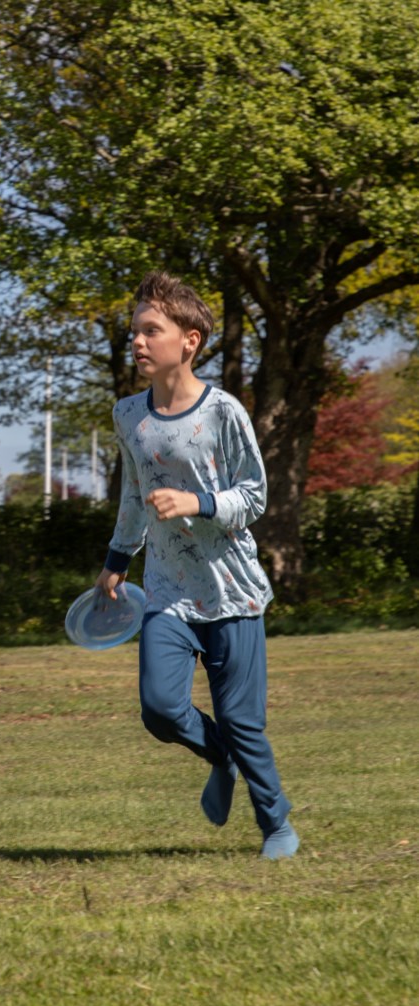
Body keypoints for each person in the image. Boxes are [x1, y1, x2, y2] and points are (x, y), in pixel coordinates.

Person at [95, 270, 299, 860]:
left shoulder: (224, 412)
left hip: (231, 591)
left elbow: (255, 497)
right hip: (166, 592)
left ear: (189, 340)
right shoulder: (127, 413)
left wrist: (199, 503)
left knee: (242, 721)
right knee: (160, 709)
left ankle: (277, 825)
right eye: (134, 330)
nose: (136, 341)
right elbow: (134, 494)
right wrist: (116, 560)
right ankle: (220, 758)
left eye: (150, 330)